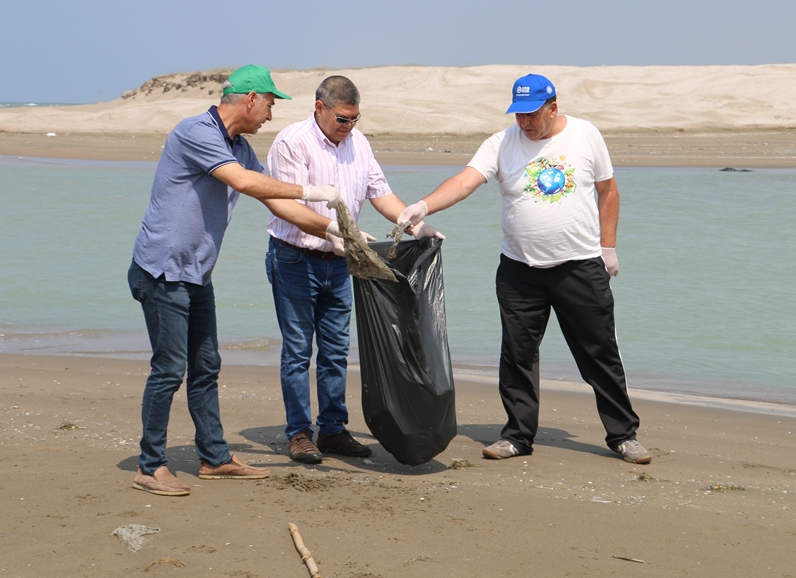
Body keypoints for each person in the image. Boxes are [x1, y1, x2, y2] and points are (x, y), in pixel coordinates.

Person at [397, 73, 651, 465]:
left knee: (599, 353)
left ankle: (623, 435)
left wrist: (609, 247)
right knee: (517, 354)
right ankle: (517, 435)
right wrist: (424, 206)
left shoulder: (585, 135)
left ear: (553, 107)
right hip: (519, 270)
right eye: (518, 114)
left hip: (579, 267)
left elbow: (608, 190)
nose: (525, 122)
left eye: (532, 114)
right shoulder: (501, 143)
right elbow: (465, 181)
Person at [129, 65, 345, 496]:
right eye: (269, 104)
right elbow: (244, 182)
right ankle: (150, 466)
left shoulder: (239, 147)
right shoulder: (196, 132)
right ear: (250, 99)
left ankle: (214, 458)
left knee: (206, 366)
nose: (270, 115)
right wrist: (313, 191)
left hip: (196, 275)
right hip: (163, 272)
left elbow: (272, 196)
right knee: (170, 369)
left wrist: (336, 233)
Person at [263, 75, 440, 464]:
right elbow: (287, 206)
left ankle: (332, 430)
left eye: (355, 119)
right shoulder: (293, 142)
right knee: (297, 350)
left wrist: (414, 223)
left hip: (342, 264)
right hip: (295, 258)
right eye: (343, 119)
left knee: (336, 350)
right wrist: (332, 230)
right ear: (320, 108)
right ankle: (299, 434)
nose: (349, 127)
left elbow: (381, 194)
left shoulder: (359, 143)